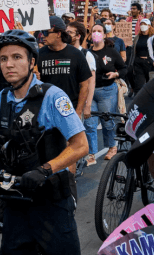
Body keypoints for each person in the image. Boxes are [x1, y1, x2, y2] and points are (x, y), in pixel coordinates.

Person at [0, 28, 88, 255]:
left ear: (32, 61)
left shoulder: (52, 96)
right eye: (4, 58)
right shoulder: (2, 98)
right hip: (17, 201)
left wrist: (46, 169)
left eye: (17, 57)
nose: (9, 64)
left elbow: (80, 145)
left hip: (50, 200)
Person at [86, 23, 127, 162]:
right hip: (90, 92)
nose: (96, 33)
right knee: (89, 123)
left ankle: (111, 147)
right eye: (93, 31)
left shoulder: (111, 52)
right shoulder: (86, 53)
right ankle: (91, 153)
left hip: (107, 91)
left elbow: (124, 69)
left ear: (104, 34)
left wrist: (115, 75)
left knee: (107, 121)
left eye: (99, 31)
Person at [37, 16, 92, 119]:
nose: (42, 36)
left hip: (70, 111)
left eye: (46, 32)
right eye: (41, 32)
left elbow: (84, 85)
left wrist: (78, 112)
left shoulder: (76, 54)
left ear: (58, 34)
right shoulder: (39, 55)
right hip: (46, 112)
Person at [66, 21, 97, 165]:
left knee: (76, 137)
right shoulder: (63, 52)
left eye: (70, 32)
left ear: (78, 36)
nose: (66, 34)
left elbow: (90, 83)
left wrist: (87, 105)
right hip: (65, 102)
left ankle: (76, 167)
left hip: (78, 102)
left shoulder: (86, 55)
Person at [128, 18, 154, 97]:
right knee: (139, 85)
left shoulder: (153, 37)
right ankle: (137, 104)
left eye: (145, 24)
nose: (143, 26)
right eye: (141, 24)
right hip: (138, 62)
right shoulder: (137, 37)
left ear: (149, 26)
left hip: (150, 63)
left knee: (150, 85)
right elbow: (134, 50)